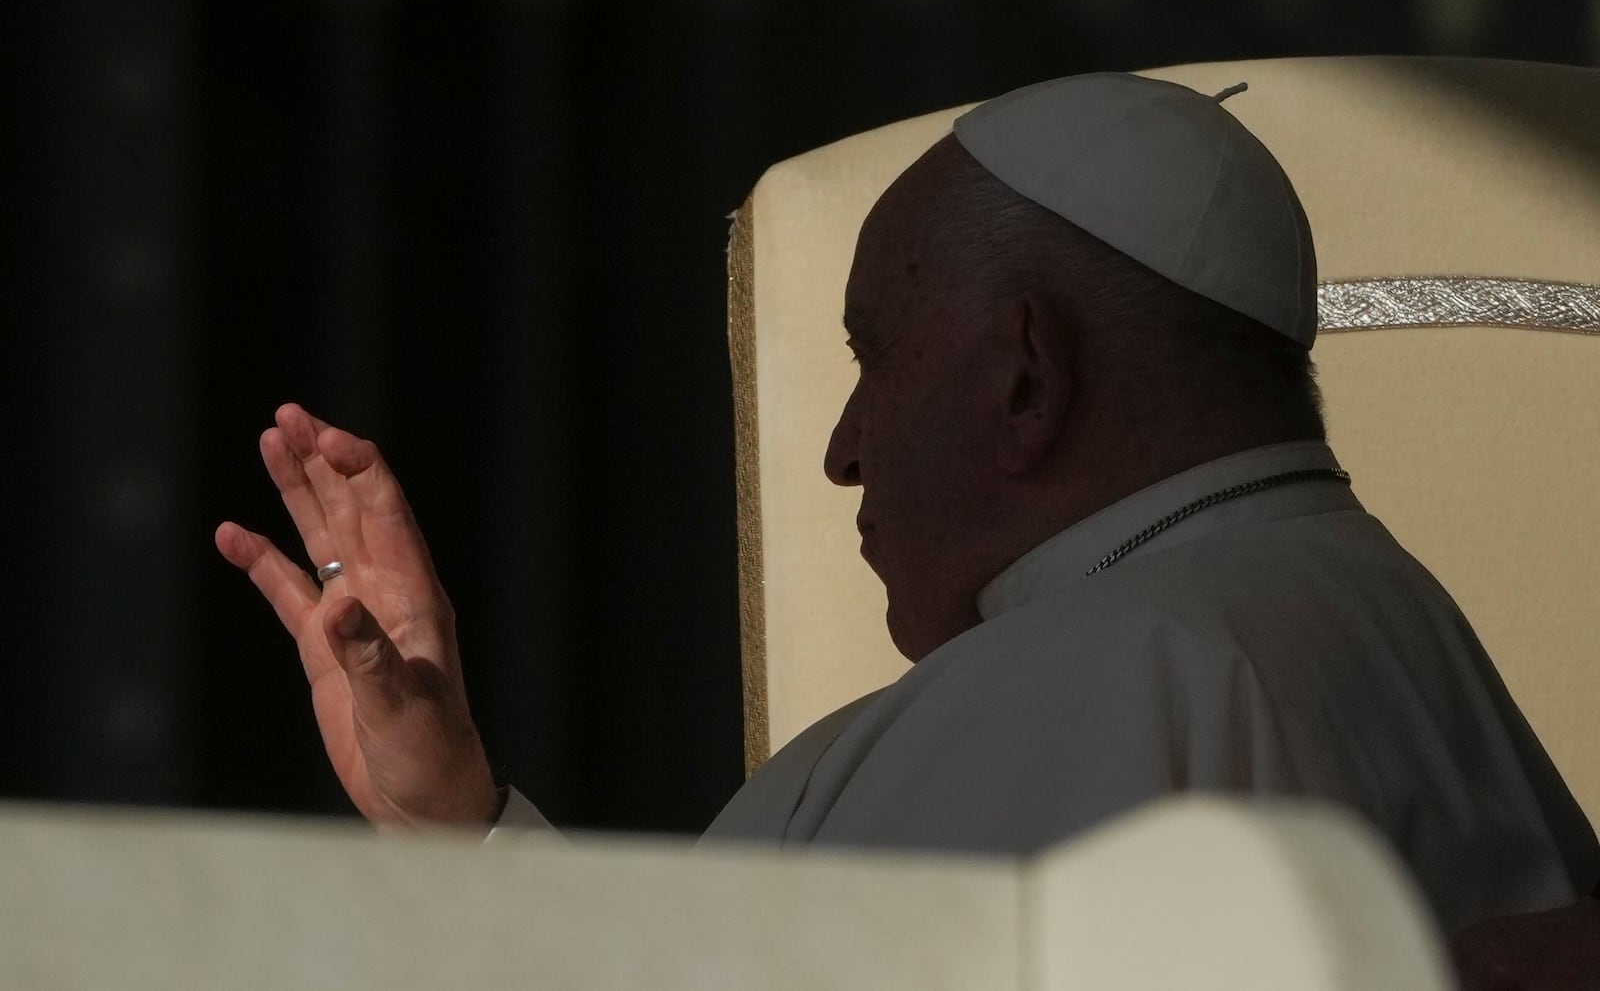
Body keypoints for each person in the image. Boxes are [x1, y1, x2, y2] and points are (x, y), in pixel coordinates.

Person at [216, 72, 1598, 935]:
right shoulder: (1381, 614)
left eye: (875, 358)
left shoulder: (1098, 678)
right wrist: (459, 829)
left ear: (1024, 376)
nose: (840, 449)